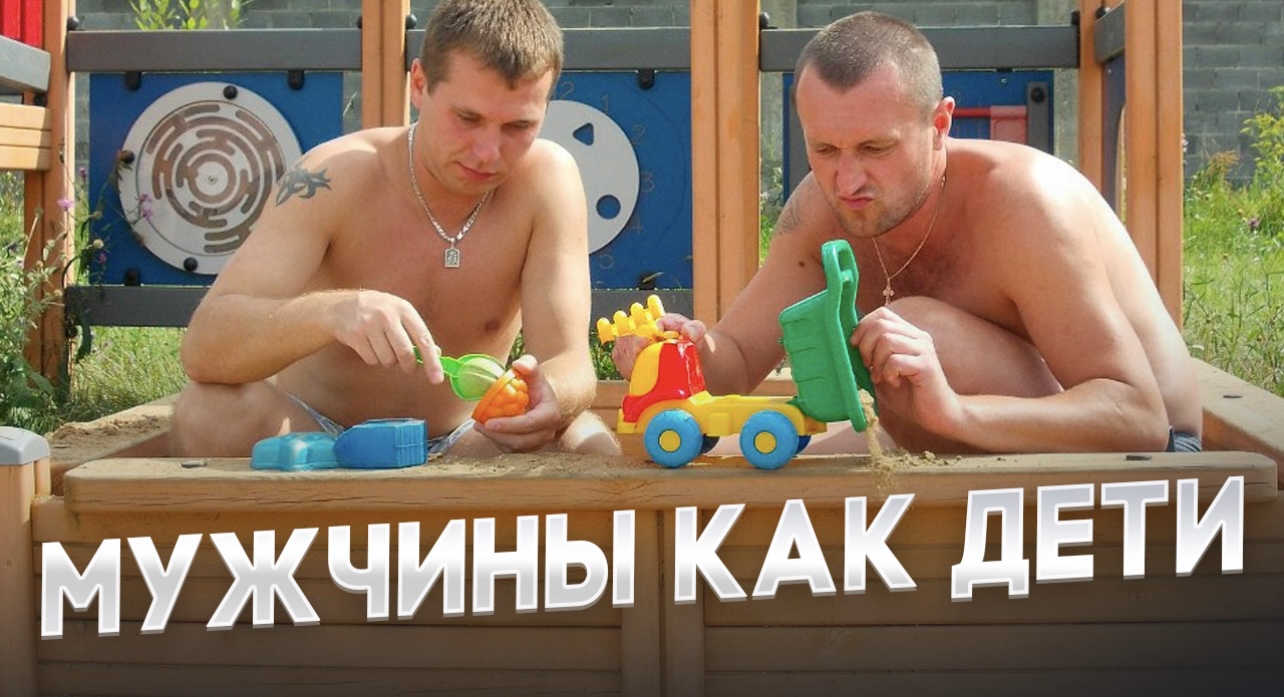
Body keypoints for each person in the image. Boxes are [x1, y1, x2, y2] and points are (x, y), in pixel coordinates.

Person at [613, 11, 1201, 455]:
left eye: (875, 148)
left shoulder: (1024, 203)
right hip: (943, 438)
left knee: (914, 334)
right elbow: (738, 360)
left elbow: (1139, 419)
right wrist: (679, 353)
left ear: (940, 124)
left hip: (1156, 459)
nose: (847, 181)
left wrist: (956, 413)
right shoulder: (818, 208)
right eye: (825, 149)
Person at [171, 0, 618, 458]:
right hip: (317, 441)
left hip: (470, 440)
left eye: (518, 126)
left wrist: (550, 398)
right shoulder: (333, 175)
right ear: (419, 85)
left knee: (591, 445)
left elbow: (568, 361)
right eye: (467, 119)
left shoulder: (547, 180)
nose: (488, 152)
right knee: (208, 412)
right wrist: (334, 312)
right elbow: (205, 346)